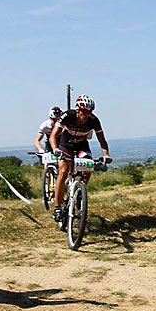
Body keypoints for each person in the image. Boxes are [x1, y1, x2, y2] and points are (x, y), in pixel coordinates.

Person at [49, 94, 111, 222]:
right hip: (66, 145)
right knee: (63, 171)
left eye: (89, 112)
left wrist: (106, 155)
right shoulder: (67, 116)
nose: (86, 114)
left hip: (82, 145)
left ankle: (79, 192)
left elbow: (102, 141)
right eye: (84, 111)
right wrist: (55, 149)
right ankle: (57, 207)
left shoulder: (93, 120)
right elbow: (53, 136)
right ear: (78, 109)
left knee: (88, 167)